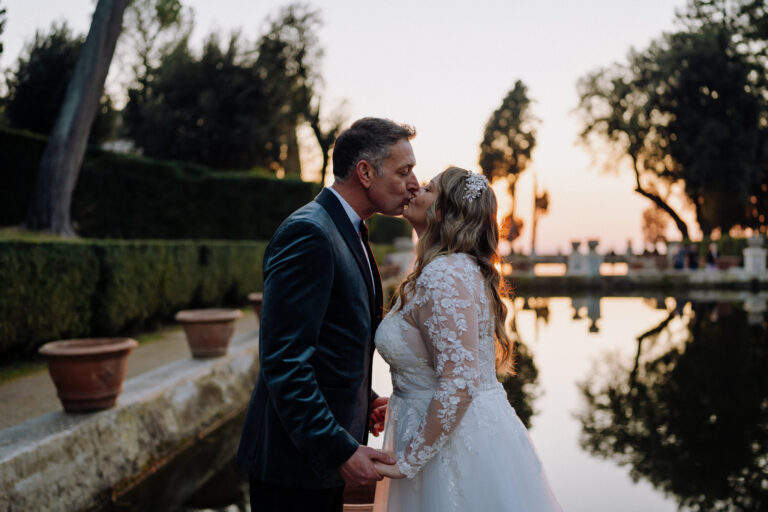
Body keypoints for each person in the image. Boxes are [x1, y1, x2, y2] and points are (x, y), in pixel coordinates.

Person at [236, 117, 419, 512]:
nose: (415, 184)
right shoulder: (310, 234)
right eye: (404, 171)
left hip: (317, 464)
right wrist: (337, 450)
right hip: (292, 470)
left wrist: (362, 396)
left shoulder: (350, 231)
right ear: (365, 172)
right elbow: (284, 362)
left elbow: (330, 342)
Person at [372, 167, 562, 511]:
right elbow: (443, 366)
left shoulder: (444, 273)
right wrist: (406, 396)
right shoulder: (449, 268)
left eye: (428, 189)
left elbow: (459, 382)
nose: (415, 190)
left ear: (443, 212)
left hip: (453, 448)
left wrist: (407, 462)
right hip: (444, 431)